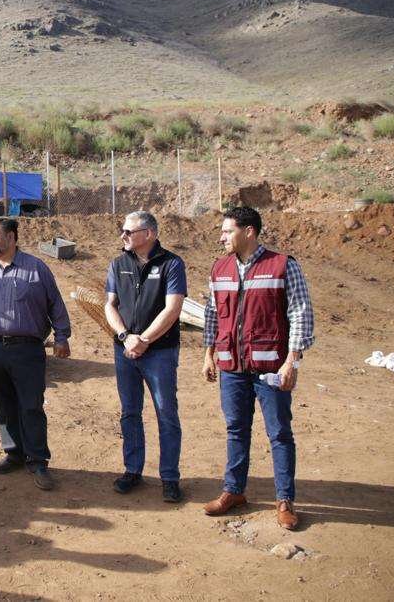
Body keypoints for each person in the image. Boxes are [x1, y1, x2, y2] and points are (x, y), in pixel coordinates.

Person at [202, 206, 314, 531]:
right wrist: (208, 354)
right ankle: (234, 492)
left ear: (248, 231)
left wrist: (292, 360)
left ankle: (284, 501)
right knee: (236, 429)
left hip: (272, 369)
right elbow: (212, 314)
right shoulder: (219, 269)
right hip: (232, 368)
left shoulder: (282, 266)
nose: (222, 237)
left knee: (279, 433)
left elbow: (301, 313)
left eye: (227, 231)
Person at [0, 218, 71, 491]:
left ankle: (37, 460)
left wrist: (61, 337)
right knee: (3, 404)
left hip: (27, 349)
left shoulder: (36, 269)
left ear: (11, 237)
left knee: (31, 406)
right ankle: (13, 452)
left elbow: (55, 305)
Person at [104, 211, 187, 502]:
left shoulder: (171, 264)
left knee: (166, 413)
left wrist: (145, 340)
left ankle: (169, 477)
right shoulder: (118, 264)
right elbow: (110, 306)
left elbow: (172, 308)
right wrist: (127, 337)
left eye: (128, 231)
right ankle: (133, 470)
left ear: (148, 234)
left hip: (159, 353)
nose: (122, 236)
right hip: (125, 350)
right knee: (130, 412)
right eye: (122, 231)